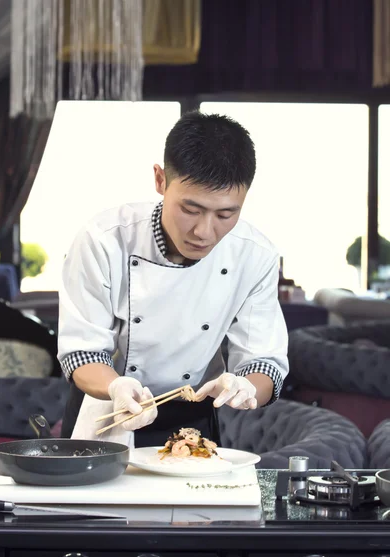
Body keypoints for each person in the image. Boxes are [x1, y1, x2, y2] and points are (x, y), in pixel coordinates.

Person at [58, 110, 288, 448]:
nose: (204, 231)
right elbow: (81, 353)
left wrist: (247, 386)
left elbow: (264, 361)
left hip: (194, 418)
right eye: (191, 209)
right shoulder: (104, 239)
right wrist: (118, 387)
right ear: (160, 180)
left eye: (226, 214)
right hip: (109, 410)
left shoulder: (255, 255)